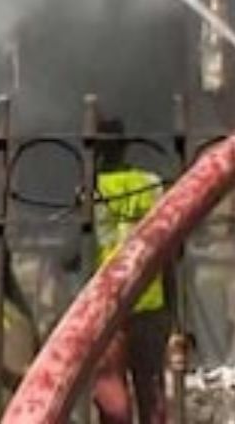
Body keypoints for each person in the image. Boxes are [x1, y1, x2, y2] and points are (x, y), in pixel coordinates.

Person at [91, 119, 171, 424]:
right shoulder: (151, 184)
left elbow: (78, 251)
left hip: (108, 303)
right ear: (125, 147)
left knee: (112, 390)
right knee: (151, 388)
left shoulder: (92, 190)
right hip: (149, 297)